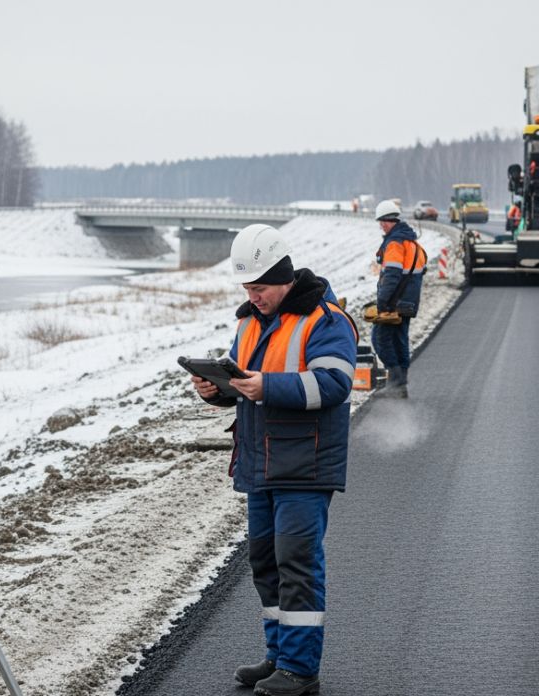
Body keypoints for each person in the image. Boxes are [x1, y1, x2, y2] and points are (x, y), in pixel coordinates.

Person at [191, 224, 356, 696]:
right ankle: (279, 657)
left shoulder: (326, 320)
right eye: (247, 288)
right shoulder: (248, 323)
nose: (253, 296)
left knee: (297, 562)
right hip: (260, 464)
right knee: (264, 562)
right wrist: (216, 391)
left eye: (259, 288)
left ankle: (302, 670)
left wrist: (267, 385)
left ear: (283, 278)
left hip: (305, 464)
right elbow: (243, 386)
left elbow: (335, 385)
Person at [372, 199, 426, 398]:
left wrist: (383, 302)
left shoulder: (395, 243)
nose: (381, 225)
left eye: (383, 221)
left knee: (380, 338)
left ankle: (395, 382)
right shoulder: (411, 242)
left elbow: (393, 275)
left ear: (390, 220)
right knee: (400, 338)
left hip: (396, 302)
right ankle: (401, 382)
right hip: (409, 301)